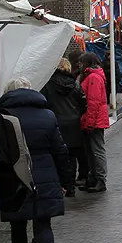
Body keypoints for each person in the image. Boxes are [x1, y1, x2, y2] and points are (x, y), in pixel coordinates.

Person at [0, 78, 73, 243]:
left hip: (15, 176)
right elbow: (60, 150)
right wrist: (66, 181)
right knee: (44, 223)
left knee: (17, 225)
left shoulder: (2, 117)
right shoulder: (47, 115)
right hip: (45, 173)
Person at [41, 58, 87, 196]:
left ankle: (60, 185)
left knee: (57, 155)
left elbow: (44, 102)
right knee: (71, 157)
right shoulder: (75, 84)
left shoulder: (48, 84)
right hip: (73, 123)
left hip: (55, 122)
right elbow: (83, 103)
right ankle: (70, 186)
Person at [78, 53, 110, 193]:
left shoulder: (93, 78)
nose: (79, 65)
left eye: (80, 62)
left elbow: (93, 102)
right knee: (91, 150)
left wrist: (89, 122)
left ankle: (100, 179)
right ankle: (94, 177)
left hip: (94, 119)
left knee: (96, 150)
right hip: (93, 118)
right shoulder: (94, 76)